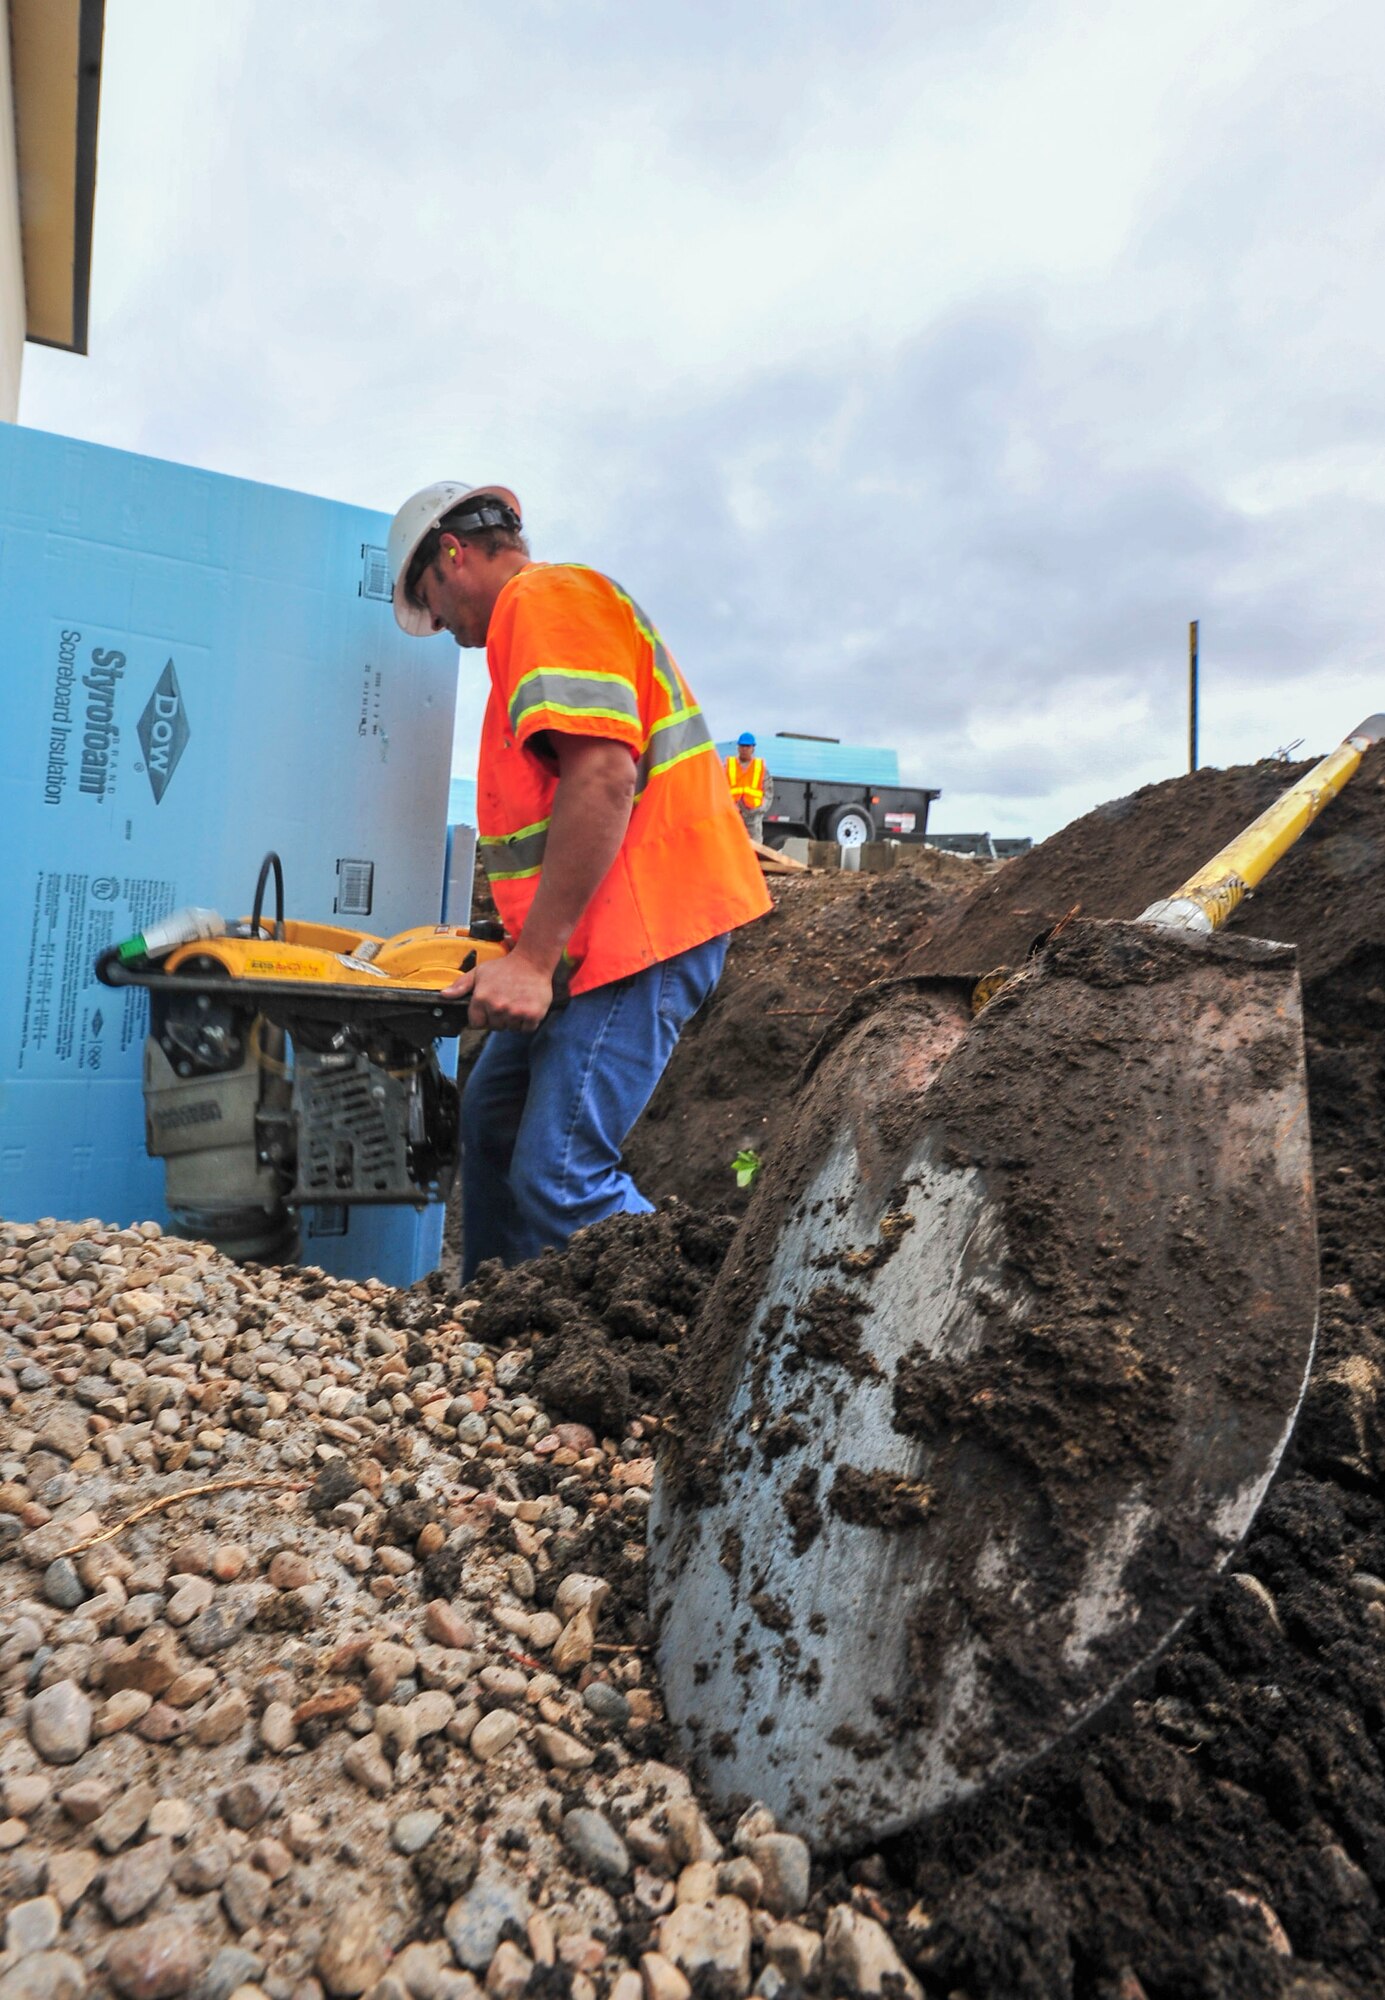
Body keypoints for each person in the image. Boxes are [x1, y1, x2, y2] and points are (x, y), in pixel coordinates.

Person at [386, 481, 771, 1280]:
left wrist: (532, 962)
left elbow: (601, 777)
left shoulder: (544, 599)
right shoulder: (536, 629)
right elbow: (554, 812)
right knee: (493, 1124)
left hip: (644, 929)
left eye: (432, 601)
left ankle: (722, 1329)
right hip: (602, 935)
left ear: (451, 555)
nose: (444, 628)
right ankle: (500, 1323)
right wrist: (519, 944)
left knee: (562, 1176)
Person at [726, 732, 772, 844]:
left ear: (753, 748)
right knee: (731, 846)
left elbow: (768, 793)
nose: (744, 749)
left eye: (748, 746)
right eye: (742, 746)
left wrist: (759, 810)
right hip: (733, 814)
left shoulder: (760, 768)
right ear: (738, 747)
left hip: (753, 816)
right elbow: (720, 788)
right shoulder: (728, 765)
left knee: (754, 850)